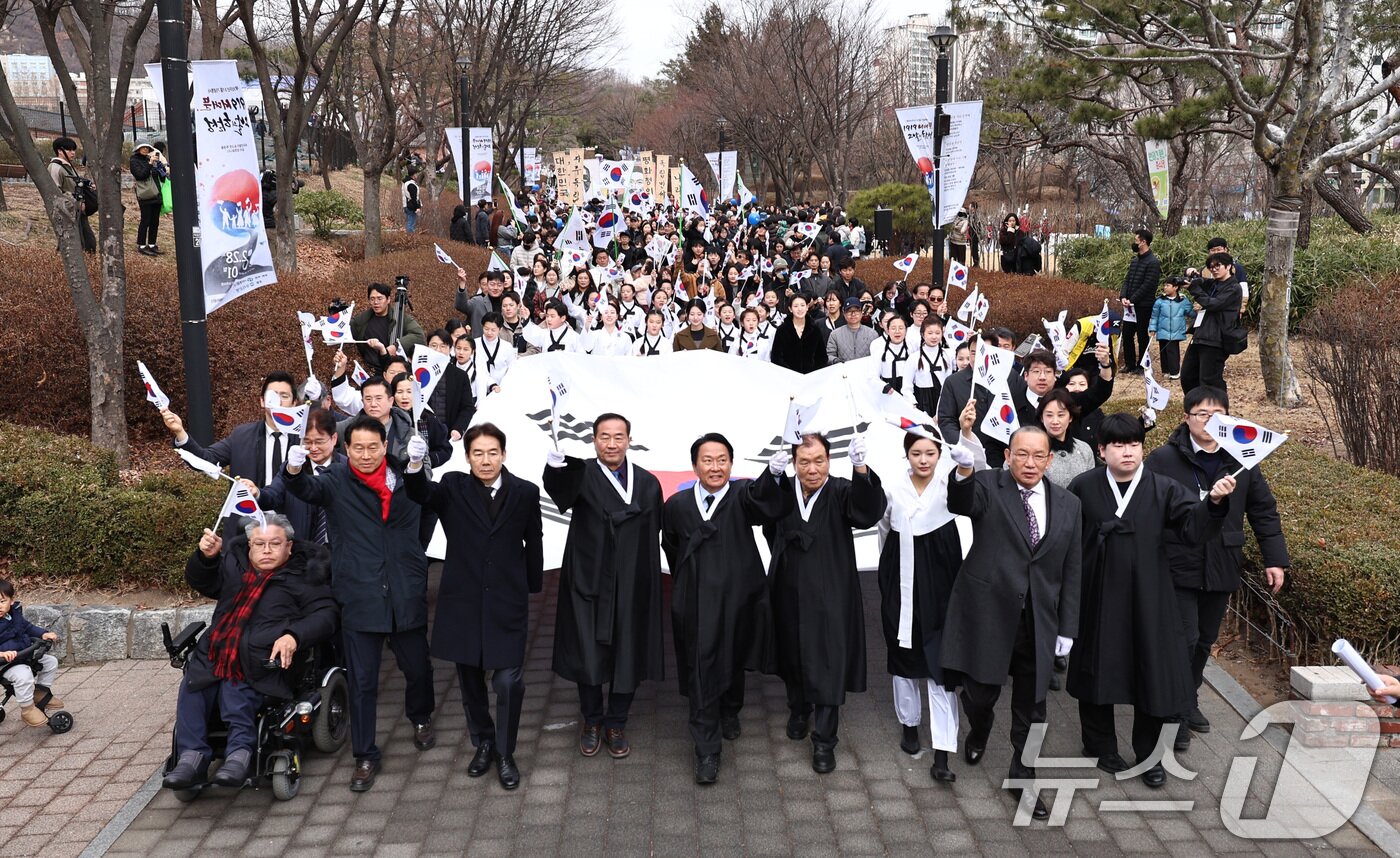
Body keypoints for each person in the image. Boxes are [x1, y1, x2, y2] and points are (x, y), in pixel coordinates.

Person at [1066, 413, 1234, 787]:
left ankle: (1149, 754)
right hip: (1098, 593)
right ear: (1101, 450)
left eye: (1134, 444)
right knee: (1095, 666)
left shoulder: (1163, 488)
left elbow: (1193, 528)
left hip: (1150, 596)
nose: (1128, 452)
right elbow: (1066, 539)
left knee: (1152, 672)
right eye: (1118, 445)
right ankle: (1099, 745)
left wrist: (1214, 503)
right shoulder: (1084, 487)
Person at [283, 416, 437, 792]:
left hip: (403, 590)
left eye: (373, 447)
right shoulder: (335, 481)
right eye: (358, 448)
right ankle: (365, 754)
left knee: (417, 667)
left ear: (385, 446)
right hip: (360, 594)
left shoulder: (406, 477)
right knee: (363, 681)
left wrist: (414, 557)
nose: (366, 455)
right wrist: (293, 469)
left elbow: (429, 505)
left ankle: (420, 716)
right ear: (346, 449)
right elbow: (305, 488)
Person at [942, 427, 1084, 821]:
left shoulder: (1069, 504)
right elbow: (961, 503)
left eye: (1038, 456)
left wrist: (1067, 627)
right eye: (1021, 454)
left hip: (1038, 621)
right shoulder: (989, 485)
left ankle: (1023, 777)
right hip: (989, 614)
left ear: (1050, 460)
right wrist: (963, 473)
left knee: (1033, 709)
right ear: (1007, 456)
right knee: (979, 695)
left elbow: (1072, 568)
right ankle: (980, 727)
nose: (1030, 463)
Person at [1144, 386, 1288, 749]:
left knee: (1204, 640)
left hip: (1222, 561)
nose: (1209, 421)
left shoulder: (1242, 458)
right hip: (1176, 563)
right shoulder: (1163, 460)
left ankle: (1188, 697)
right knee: (1184, 638)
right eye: (1201, 414)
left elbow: (1263, 511)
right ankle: (1173, 713)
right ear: (1186, 418)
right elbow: (1146, 509)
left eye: (1217, 414)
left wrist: (1274, 559)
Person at [405, 424, 542, 790]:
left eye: (492, 453)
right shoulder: (453, 486)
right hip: (463, 601)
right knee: (470, 682)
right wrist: (414, 466)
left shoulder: (525, 492)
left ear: (504, 454)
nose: (485, 460)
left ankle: (505, 752)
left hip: (507, 602)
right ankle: (483, 742)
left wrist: (532, 586)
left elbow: (534, 539)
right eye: (478, 453)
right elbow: (421, 494)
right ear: (467, 457)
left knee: (508, 682)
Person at [161, 515, 338, 789]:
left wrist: (294, 635)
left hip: (265, 661)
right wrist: (206, 559)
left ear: (289, 547)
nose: (266, 550)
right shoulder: (235, 566)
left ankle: (239, 754)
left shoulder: (304, 576)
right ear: (249, 546)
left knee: (235, 690)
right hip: (217, 652)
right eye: (259, 544)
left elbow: (326, 615)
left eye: (274, 544)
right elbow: (203, 581)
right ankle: (191, 757)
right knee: (193, 687)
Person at [662, 434, 793, 784]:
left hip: (739, 599)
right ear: (695, 466)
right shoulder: (677, 505)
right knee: (701, 669)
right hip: (696, 603)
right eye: (707, 460)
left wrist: (773, 476)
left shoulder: (742, 495)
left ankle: (731, 709)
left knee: (733, 656)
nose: (715, 467)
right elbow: (671, 545)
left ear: (731, 464)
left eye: (722, 460)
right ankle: (707, 750)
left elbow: (767, 504)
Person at [544, 414, 664, 759]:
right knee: (589, 654)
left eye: (618, 437)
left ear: (629, 440)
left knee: (628, 653)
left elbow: (655, 530)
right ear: (594, 440)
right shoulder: (580, 474)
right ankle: (592, 720)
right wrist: (554, 469)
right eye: (604, 437)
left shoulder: (647, 483)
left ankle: (616, 722)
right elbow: (559, 492)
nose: (611, 444)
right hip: (589, 582)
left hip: (632, 584)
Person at [764, 433, 885, 773]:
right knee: (792, 652)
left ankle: (825, 740)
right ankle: (799, 709)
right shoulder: (784, 491)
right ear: (793, 463)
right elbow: (766, 521)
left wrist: (861, 470)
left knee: (828, 661)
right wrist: (770, 478)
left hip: (831, 591)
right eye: (804, 462)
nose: (812, 469)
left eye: (819, 461)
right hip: (788, 588)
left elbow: (867, 513)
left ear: (829, 461)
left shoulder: (842, 491)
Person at [878, 404, 981, 781]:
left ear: (940, 454)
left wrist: (965, 459)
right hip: (901, 572)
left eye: (930, 453)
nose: (923, 460)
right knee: (904, 654)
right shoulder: (893, 486)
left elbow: (971, 484)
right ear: (906, 455)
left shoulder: (949, 482)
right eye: (916, 453)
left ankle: (942, 751)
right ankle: (909, 724)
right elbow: (884, 529)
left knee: (941, 663)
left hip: (941, 576)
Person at [164, 371, 302, 493]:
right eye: (272, 395)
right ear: (262, 401)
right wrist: (180, 432)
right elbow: (206, 460)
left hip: (294, 514)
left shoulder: (305, 439)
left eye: (284, 396)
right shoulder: (241, 437)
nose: (278, 401)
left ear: (294, 402)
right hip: (249, 512)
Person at [255, 408, 344, 543]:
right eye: (307, 442)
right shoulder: (291, 468)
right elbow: (272, 497)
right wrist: (257, 493)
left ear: (334, 438)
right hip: (302, 548)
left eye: (319, 442)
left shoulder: (347, 468)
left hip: (340, 548)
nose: (313, 448)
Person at [0, 578, 64, 728]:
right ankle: (27, 709)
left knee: (50, 662)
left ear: (11, 601)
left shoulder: (14, 616)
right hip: (5, 664)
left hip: (23, 656)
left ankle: (40, 692)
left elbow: (28, 628)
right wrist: (2, 654)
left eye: (2, 601)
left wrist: (43, 634)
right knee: (24, 675)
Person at [1181, 252, 1243, 396]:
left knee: (1209, 380)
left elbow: (1213, 304)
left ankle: (1217, 408)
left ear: (1228, 266)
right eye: (1211, 267)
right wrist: (1191, 275)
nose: (1214, 269)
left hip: (1217, 339)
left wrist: (1194, 290)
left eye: (1217, 266)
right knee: (1187, 376)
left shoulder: (1234, 288)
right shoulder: (1213, 284)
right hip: (1200, 336)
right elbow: (1201, 282)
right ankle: (1196, 406)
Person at [351, 282, 427, 374]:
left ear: (388, 300)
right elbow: (345, 330)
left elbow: (419, 336)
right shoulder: (362, 320)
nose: (376, 302)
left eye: (380, 298)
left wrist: (396, 346)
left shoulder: (399, 318)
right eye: (372, 299)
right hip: (370, 372)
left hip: (394, 371)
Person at [1119, 229, 1161, 374]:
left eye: (1136, 240)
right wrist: (1123, 296)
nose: (1134, 243)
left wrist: (1133, 299)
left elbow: (1148, 285)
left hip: (1143, 305)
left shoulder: (1153, 262)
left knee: (1142, 336)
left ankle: (1142, 365)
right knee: (1127, 334)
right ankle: (1129, 363)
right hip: (1129, 306)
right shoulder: (1135, 260)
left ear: (1143, 242)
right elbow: (1127, 280)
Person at [1035, 390, 1096, 488]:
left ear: (1070, 417)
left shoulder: (1084, 449)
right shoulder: (1032, 449)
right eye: (1049, 415)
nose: (1055, 421)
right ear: (1042, 418)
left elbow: (1090, 487)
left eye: (1061, 415)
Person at [48, 136, 96, 252]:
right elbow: (55, 192)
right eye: (69, 150)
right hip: (67, 211)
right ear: (60, 151)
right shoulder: (55, 167)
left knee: (88, 242)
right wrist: (74, 203)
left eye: (74, 150)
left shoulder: (67, 166)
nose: (73, 153)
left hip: (77, 210)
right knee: (76, 243)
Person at [1149, 276, 1194, 380]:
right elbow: (1154, 316)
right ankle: (1166, 370)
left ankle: (1175, 371)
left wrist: (1197, 310)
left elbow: (1190, 312)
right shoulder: (1160, 301)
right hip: (1162, 330)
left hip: (1175, 331)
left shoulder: (1182, 301)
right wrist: (1153, 328)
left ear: (1175, 287)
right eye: (1164, 285)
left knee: (1173, 351)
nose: (1165, 287)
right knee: (1163, 351)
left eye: (1168, 285)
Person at [770, 294, 828, 374]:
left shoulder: (815, 329)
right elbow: (776, 358)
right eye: (796, 306)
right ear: (790, 309)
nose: (799, 309)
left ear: (807, 307)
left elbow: (822, 357)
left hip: (811, 377)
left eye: (802, 305)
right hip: (787, 377)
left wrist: (812, 374)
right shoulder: (782, 330)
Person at [129, 142, 166, 256]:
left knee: (155, 221)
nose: (145, 149)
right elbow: (140, 175)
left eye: (147, 148)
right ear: (138, 149)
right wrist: (150, 164)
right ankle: (141, 245)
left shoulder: (150, 159)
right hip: (145, 195)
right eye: (143, 147)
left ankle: (152, 244)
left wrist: (160, 168)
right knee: (146, 220)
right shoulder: (134, 160)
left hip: (156, 193)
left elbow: (161, 177)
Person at [826, 297, 879, 363]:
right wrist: (835, 360)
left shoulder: (872, 334)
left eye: (856, 311)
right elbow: (828, 355)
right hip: (843, 369)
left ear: (861, 312)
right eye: (849, 311)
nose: (853, 314)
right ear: (844, 314)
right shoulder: (835, 334)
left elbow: (878, 355)